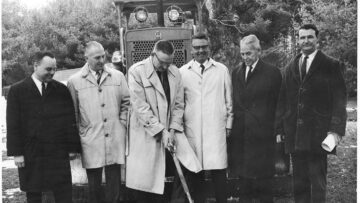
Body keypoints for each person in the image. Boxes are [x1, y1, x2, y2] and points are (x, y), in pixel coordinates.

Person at [275, 24, 347, 203]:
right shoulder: (290, 67)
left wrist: (335, 131)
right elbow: (282, 100)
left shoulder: (331, 65)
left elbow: (340, 101)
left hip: (318, 135)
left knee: (317, 182)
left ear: (317, 39)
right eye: (302, 37)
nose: (305, 41)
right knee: (299, 183)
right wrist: (279, 129)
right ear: (298, 40)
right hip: (295, 136)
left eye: (309, 37)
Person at [126, 40, 200, 203]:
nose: (166, 67)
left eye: (169, 62)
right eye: (162, 62)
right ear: (153, 55)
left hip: (171, 131)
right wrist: (162, 131)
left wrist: (172, 130)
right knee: (148, 182)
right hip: (147, 134)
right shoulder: (136, 72)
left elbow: (179, 105)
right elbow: (141, 108)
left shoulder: (175, 72)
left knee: (190, 166)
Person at [6, 51, 81, 203]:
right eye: (48, 69)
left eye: (54, 69)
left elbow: (69, 120)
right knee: (34, 193)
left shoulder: (61, 90)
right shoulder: (17, 90)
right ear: (35, 66)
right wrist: (17, 153)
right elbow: (13, 124)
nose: (52, 73)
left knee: (63, 193)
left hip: (57, 153)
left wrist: (73, 147)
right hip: (31, 152)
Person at [67, 41, 130, 203]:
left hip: (115, 136)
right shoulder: (74, 81)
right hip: (90, 138)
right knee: (94, 185)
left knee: (114, 182)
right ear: (86, 57)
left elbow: (127, 102)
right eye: (97, 57)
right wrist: (79, 135)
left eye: (103, 56)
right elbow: (72, 112)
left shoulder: (118, 76)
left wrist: (122, 123)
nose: (101, 60)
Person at [179, 33, 233, 203]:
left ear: (209, 48)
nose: (200, 50)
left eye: (204, 47)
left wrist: (229, 125)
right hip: (193, 131)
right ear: (191, 49)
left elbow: (229, 101)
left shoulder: (221, 70)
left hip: (216, 129)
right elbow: (179, 103)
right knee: (196, 175)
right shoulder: (182, 72)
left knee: (219, 174)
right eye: (197, 47)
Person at [228, 34, 282, 203]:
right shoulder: (236, 72)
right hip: (242, 136)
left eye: (249, 54)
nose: (245, 58)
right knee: (244, 185)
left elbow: (279, 105)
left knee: (265, 184)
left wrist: (278, 130)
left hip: (263, 137)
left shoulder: (272, 73)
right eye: (242, 54)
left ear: (259, 51)